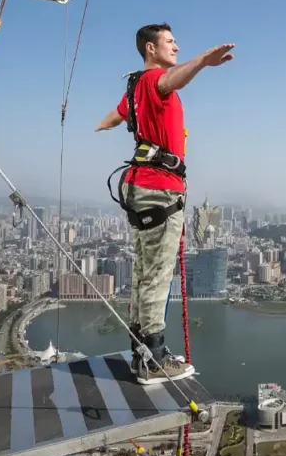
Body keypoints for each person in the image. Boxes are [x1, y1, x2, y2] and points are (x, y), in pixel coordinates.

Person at [95, 23, 233, 384]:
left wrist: (96, 128)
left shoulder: (133, 89)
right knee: (158, 275)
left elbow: (115, 116)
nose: (176, 45)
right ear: (151, 49)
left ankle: (139, 348)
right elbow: (172, 81)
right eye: (170, 42)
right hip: (160, 188)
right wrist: (202, 60)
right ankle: (153, 358)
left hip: (141, 186)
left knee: (143, 271)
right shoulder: (154, 82)